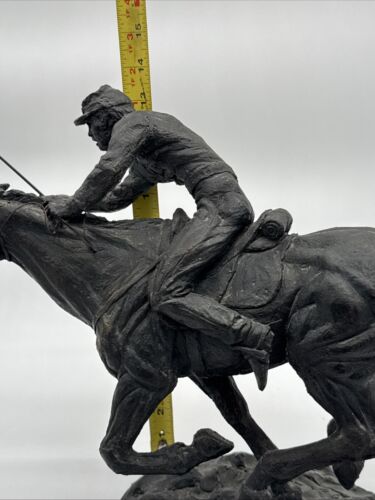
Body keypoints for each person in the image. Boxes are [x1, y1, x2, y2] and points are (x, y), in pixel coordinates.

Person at [47, 85, 273, 389]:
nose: (90, 133)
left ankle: (250, 334)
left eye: (91, 122)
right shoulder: (145, 156)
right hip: (214, 205)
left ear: (108, 115)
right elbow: (118, 196)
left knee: (166, 289)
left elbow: (108, 169)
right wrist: (61, 201)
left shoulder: (135, 124)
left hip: (223, 207)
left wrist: (74, 205)